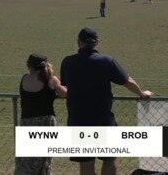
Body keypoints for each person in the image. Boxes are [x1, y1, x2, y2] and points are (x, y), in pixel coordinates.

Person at [60, 28, 152, 175]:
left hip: (78, 120)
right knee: (109, 160)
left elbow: (66, 85)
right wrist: (142, 93)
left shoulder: (68, 62)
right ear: (97, 42)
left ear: (78, 42)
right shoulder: (106, 61)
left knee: (85, 165)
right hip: (103, 120)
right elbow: (127, 81)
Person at [15, 54, 67, 175]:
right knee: (44, 159)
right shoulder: (50, 79)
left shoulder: (25, 79)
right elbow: (65, 93)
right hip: (46, 122)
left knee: (26, 158)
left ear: (29, 66)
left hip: (27, 122)